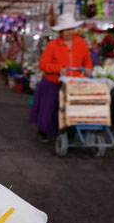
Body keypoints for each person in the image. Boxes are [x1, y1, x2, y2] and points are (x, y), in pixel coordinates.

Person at [29, 13, 93, 141]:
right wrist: (58, 69)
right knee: (49, 108)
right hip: (53, 82)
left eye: (71, 29)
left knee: (71, 108)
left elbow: (87, 61)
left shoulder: (81, 43)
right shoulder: (53, 45)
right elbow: (43, 64)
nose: (69, 32)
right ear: (61, 32)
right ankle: (44, 131)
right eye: (66, 30)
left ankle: (69, 132)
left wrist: (88, 69)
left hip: (73, 83)